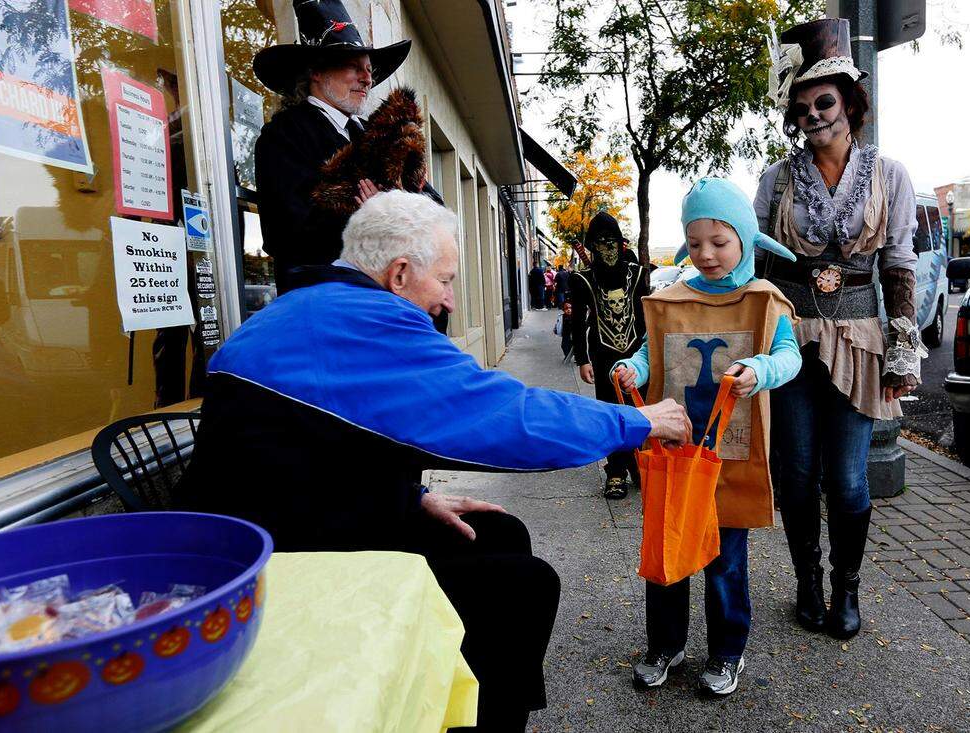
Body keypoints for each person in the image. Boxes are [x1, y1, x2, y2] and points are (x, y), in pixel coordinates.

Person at [180, 191, 691, 732]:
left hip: (287, 519)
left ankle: (457, 696)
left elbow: (313, 444)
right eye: (445, 280)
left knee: (499, 532)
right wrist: (639, 422)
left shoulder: (305, 309)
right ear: (399, 274)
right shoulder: (370, 324)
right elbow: (508, 417)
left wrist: (414, 498)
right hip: (269, 567)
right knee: (525, 587)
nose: (448, 300)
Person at [757, 18, 924, 640]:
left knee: (849, 480)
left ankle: (845, 589)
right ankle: (805, 580)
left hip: (859, 344)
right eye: (800, 107)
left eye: (824, 101)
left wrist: (904, 354)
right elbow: (763, 268)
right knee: (797, 474)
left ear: (850, 103)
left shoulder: (891, 175)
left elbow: (899, 267)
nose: (813, 116)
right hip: (792, 344)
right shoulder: (776, 181)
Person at [612, 178, 801, 698]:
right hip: (675, 454)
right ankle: (666, 644)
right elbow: (652, 352)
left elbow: (791, 358)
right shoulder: (672, 300)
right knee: (668, 553)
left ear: (745, 238)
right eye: (695, 244)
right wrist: (632, 366)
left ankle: (726, 653)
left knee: (725, 563)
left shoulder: (766, 302)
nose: (706, 255)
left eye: (720, 242)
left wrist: (761, 369)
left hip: (730, 458)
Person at [252, 0, 437, 292]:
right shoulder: (285, 135)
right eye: (354, 67)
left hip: (382, 299)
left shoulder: (378, 133)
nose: (367, 79)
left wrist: (395, 206)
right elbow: (285, 234)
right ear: (316, 71)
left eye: (369, 70)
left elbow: (433, 205)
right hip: (325, 301)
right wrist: (371, 217)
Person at [569, 212, 649, 499]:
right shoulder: (583, 280)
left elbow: (645, 314)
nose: (608, 249)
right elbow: (577, 320)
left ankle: (639, 464)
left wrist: (650, 353)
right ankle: (616, 470)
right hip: (603, 357)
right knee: (611, 413)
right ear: (592, 246)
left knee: (638, 411)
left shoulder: (637, 273)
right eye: (601, 243)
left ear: (621, 243)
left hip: (637, 355)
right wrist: (582, 359)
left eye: (613, 242)